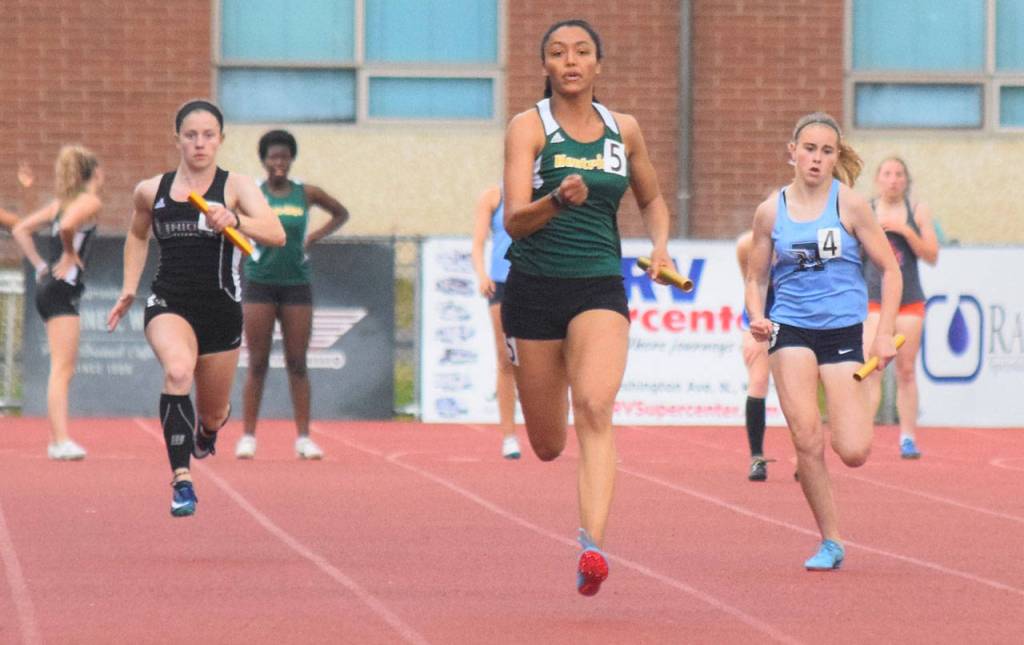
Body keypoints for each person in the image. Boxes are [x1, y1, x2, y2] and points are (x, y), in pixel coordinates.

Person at [502, 19, 672, 595]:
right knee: (549, 444)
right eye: (557, 52)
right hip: (532, 288)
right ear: (544, 65)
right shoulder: (528, 128)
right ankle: (583, 522)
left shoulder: (624, 130)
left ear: (599, 64)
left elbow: (651, 198)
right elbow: (513, 220)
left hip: (599, 286)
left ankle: (592, 546)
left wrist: (660, 247)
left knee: (596, 404)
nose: (570, 60)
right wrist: (555, 200)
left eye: (581, 52)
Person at [106, 100, 284, 517]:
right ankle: (182, 480)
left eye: (208, 135)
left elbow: (275, 233)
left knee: (214, 412)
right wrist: (130, 287)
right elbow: (137, 235)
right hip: (169, 302)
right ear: (178, 140)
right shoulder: (152, 190)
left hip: (221, 310)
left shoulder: (236, 187)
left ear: (220, 140)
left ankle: (206, 432)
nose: (200, 143)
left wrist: (237, 221)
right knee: (178, 371)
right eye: (191, 135)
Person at [745, 112, 901, 571]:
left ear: (836, 158)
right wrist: (757, 315)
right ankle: (830, 540)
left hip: (842, 333)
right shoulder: (770, 211)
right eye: (809, 149)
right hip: (789, 328)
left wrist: (886, 334)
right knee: (807, 437)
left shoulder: (850, 205)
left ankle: (857, 393)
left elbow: (890, 270)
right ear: (792, 152)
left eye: (826, 151)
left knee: (852, 451)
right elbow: (755, 278)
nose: (816, 158)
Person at [234, 129, 349, 460]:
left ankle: (303, 438)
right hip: (259, 282)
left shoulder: (305, 192)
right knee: (257, 361)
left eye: (284, 157)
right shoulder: (252, 194)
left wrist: (314, 236)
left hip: (296, 284)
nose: (279, 163)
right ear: (264, 161)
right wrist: (243, 244)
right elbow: (229, 221)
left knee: (297, 362)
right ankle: (248, 437)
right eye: (273, 157)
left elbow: (341, 213)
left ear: (291, 159)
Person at [12, 147, 102, 460]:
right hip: (63, 289)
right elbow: (67, 228)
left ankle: (57, 438)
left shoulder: (59, 204)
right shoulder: (88, 201)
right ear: (95, 173)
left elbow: (20, 228)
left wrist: (39, 266)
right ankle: (60, 440)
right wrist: (67, 252)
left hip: (51, 287)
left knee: (61, 368)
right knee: (62, 369)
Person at [861, 157, 938, 459]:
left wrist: (905, 231)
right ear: (877, 179)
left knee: (906, 370)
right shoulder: (865, 210)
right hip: (874, 298)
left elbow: (931, 254)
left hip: (909, 301)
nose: (893, 179)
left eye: (898, 174)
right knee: (873, 367)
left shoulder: (916, 211)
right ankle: (863, 434)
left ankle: (907, 437)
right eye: (887, 174)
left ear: (906, 180)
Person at [470, 183, 521, 460]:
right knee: (506, 357)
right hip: (502, 282)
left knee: (549, 358)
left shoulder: (545, 191)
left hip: (537, 281)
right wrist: (482, 274)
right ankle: (509, 436)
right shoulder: (492, 196)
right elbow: (477, 243)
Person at [735, 230, 773, 481]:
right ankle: (757, 457)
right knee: (758, 381)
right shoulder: (748, 244)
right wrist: (756, 323)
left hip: (797, 318)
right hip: (761, 318)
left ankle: (805, 457)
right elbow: (752, 285)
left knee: (801, 388)